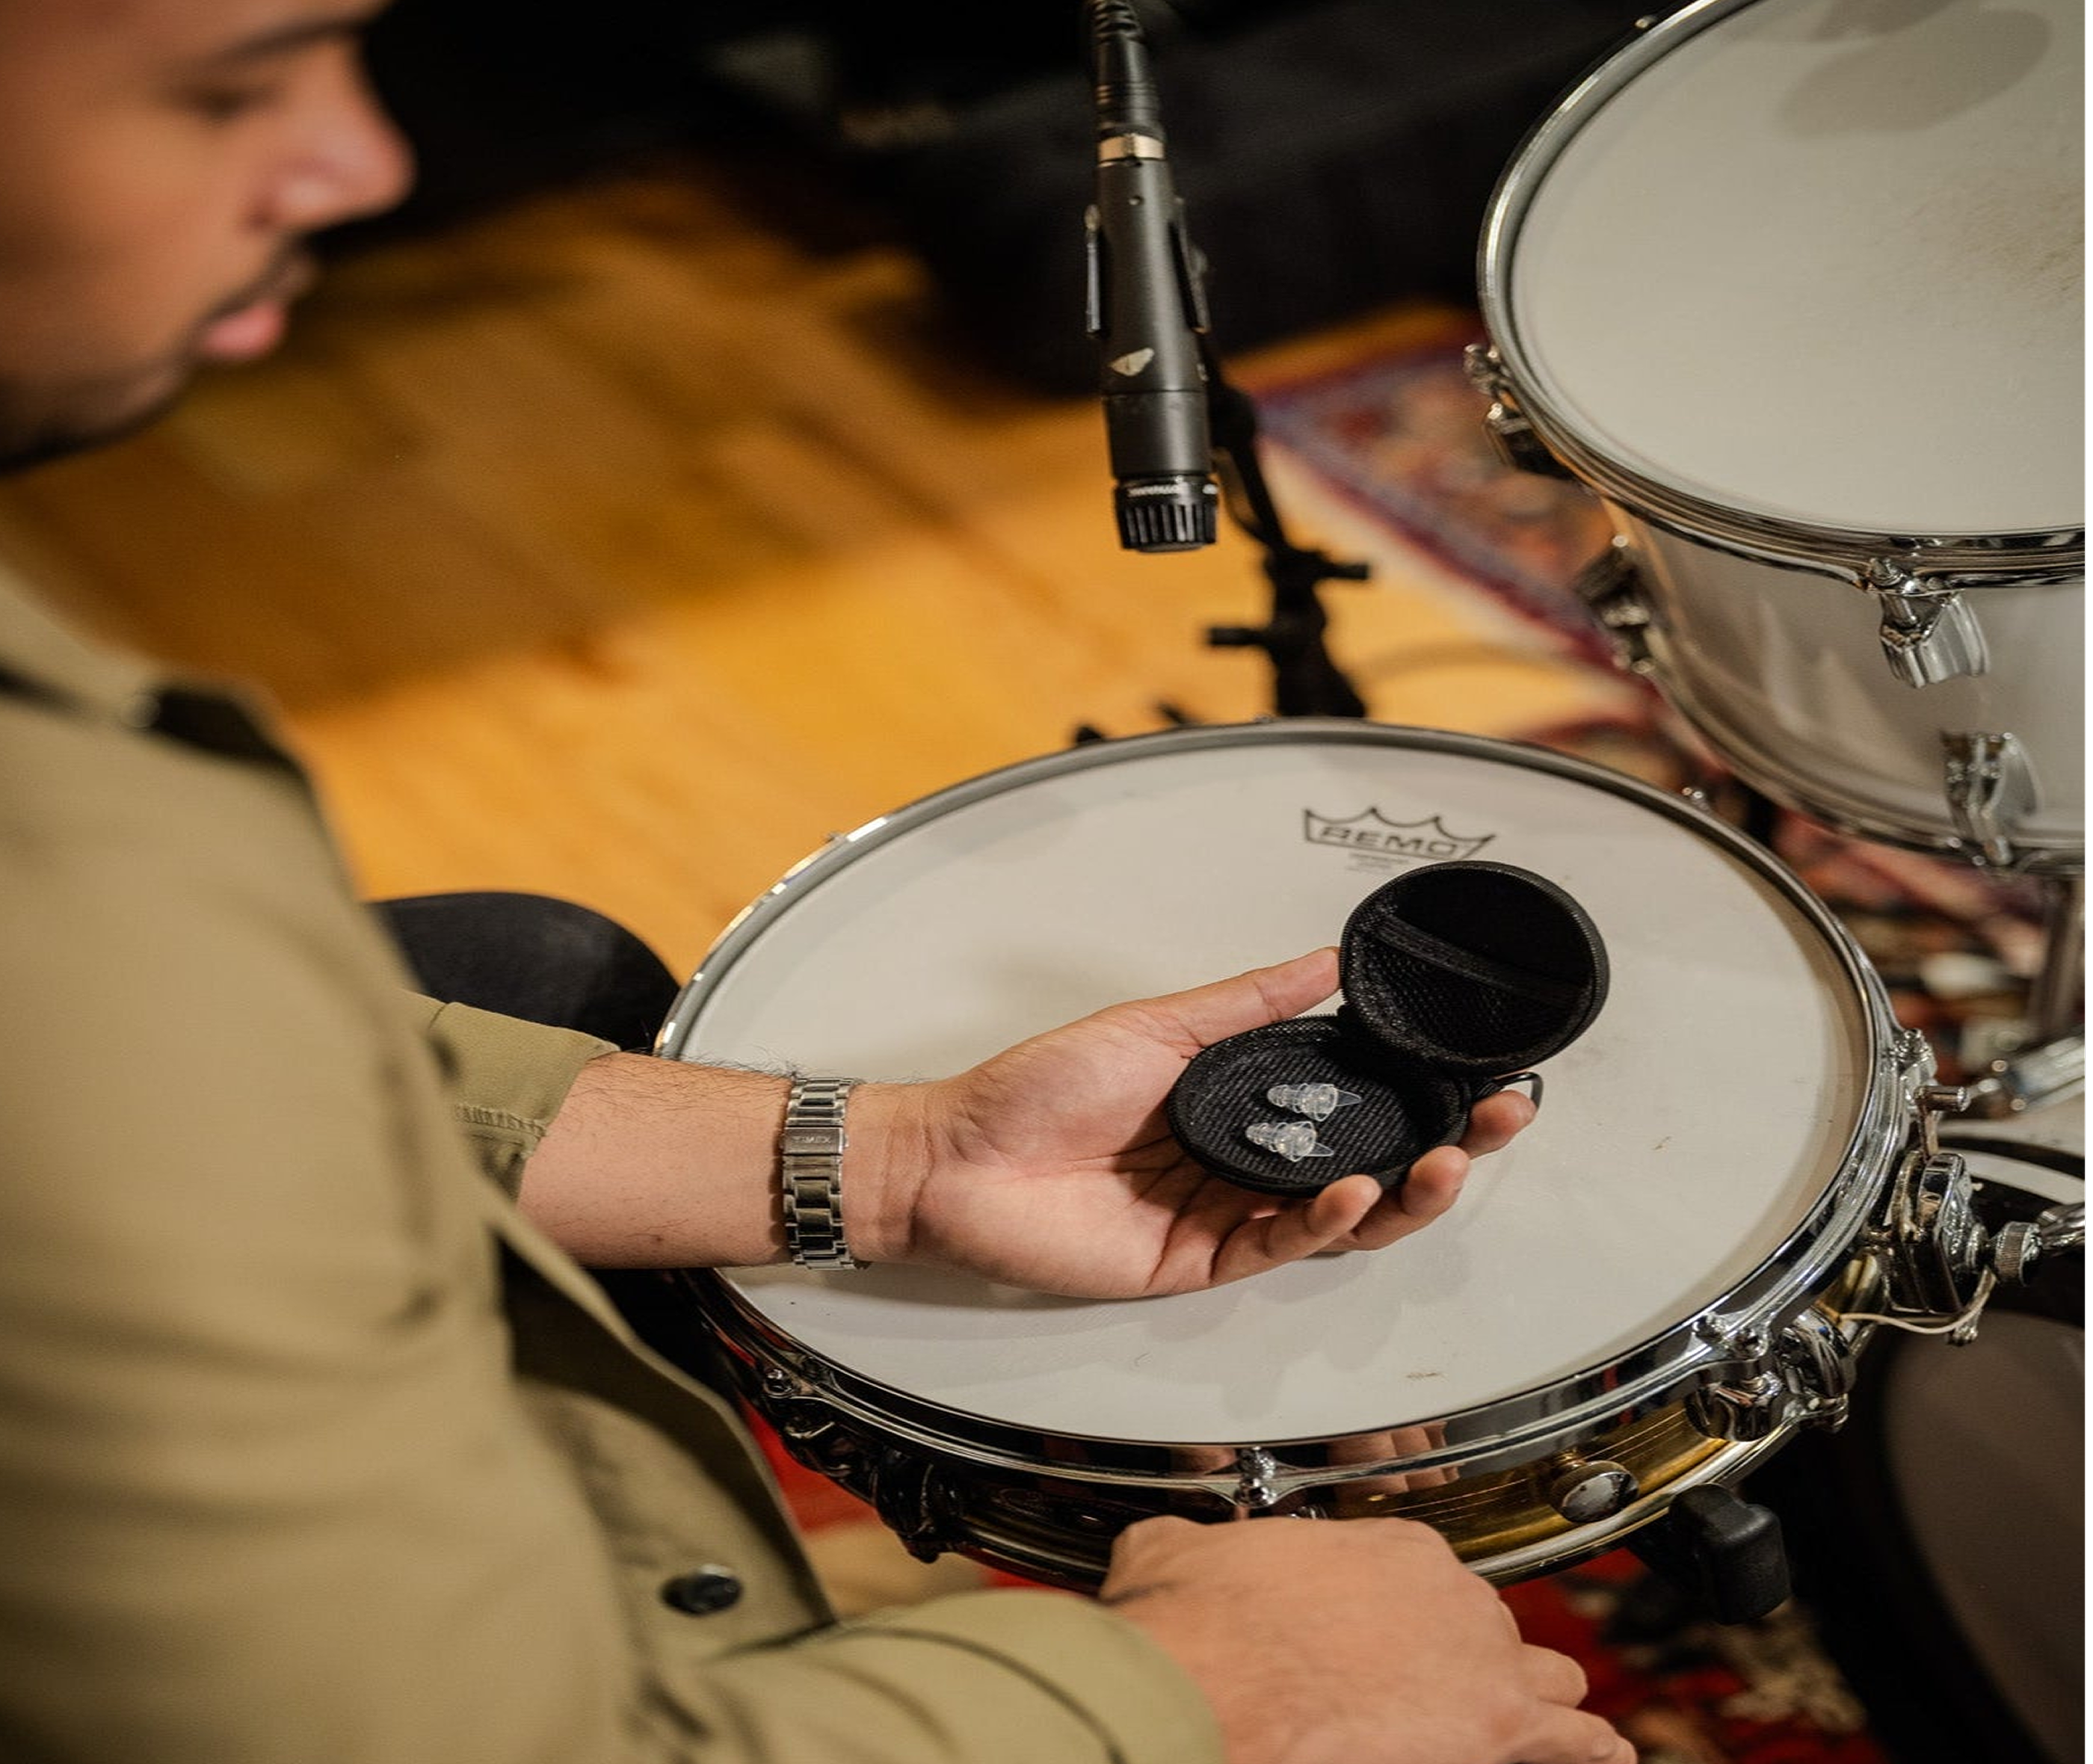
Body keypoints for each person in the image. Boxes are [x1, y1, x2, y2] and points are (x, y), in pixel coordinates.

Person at [0, 3, 1635, 1761]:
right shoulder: (84, 902)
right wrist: (1207, 1697)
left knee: (526, 973)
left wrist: (902, 1156)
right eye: (228, 86)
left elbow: (238, 1078)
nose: (364, 162)